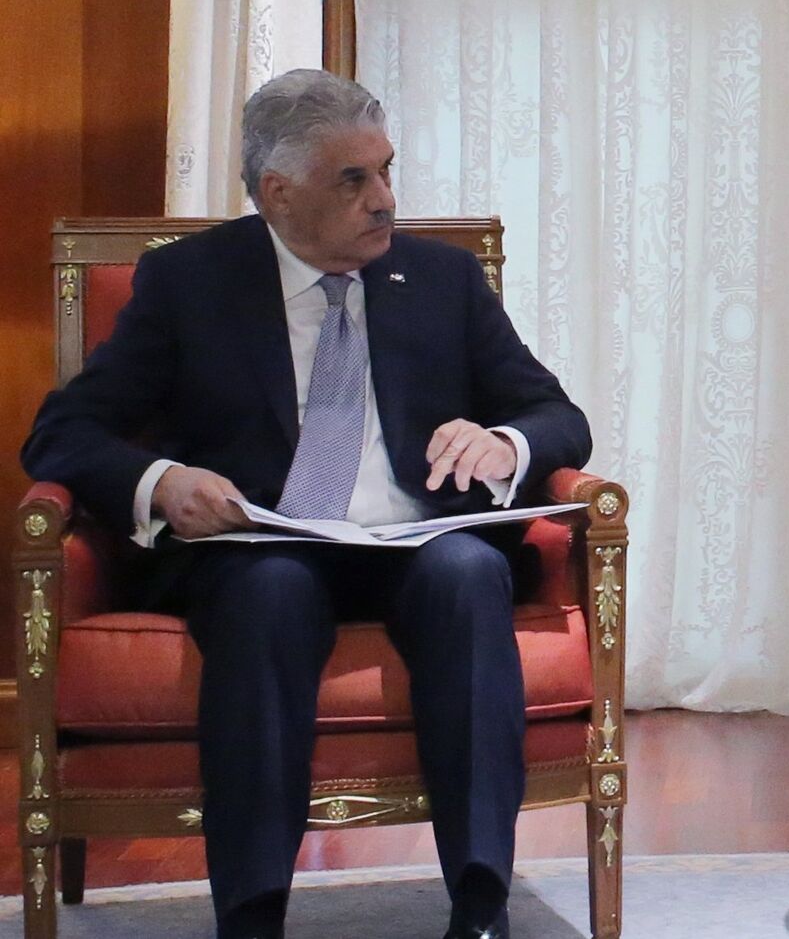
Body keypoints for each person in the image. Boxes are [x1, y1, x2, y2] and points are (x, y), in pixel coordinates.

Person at [23, 69, 592, 939]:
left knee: (469, 574)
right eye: (353, 179)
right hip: (260, 544)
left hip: (413, 537)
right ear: (278, 192)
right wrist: (163, 482)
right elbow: (63, 431)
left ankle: (482, 907)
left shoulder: (440, 279)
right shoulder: (189, 283)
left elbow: (557, 415)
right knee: (270, 591)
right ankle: (252, 915)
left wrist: (505, 443)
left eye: (387, 170)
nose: (384, 199)